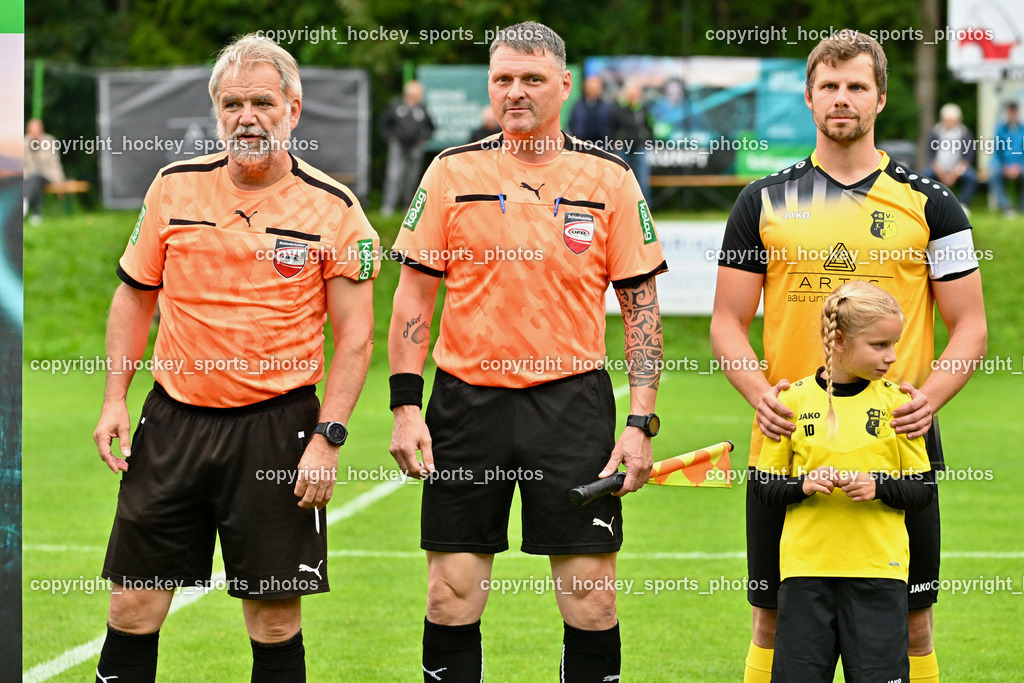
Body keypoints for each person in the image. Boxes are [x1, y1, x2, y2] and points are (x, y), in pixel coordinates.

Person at [91, 33, 379, 682]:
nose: (246, 117)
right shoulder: (172, 188)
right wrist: (115, 398)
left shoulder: (335, 209)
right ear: (216, 110)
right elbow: (134, 300)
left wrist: (329, 437)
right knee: (133, 602)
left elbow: (355, 336)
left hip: (278, 429)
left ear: (292, 110)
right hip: (172, 422)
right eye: (232, 103)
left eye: (262, 102)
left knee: (274, 617)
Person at [387, 21, 667, 682]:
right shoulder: (451, 171)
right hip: (464, 404)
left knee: (592, 602)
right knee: (450, 596)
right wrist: (406, 406)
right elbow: (412, 301)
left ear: (564, 85)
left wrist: (640, 421)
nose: (516, 91)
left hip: (572, 406)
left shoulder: (610, 178)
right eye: (503, 78)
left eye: (532, 79)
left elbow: (642, 309)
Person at [710, 29, 987, 683]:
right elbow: (726, 321)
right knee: (770, 618)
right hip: (788, 444)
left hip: (896, 443)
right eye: (829, 86)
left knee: (914, 621)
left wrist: (927, 401)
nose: (842, 98)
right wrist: (762, 398)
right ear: (809, 98)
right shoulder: (762, 201)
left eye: (856, 86)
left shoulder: (933, 204)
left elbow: (970, 325)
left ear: (880, 98)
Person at [752, 281, 934, 682]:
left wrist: (879, 486)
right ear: (838, 340)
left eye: (894, 344)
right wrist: (802, 485)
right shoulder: (790, 402)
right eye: (880, 345)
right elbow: (762, 489)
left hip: (879, 575)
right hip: (805, 578)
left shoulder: (900, 405)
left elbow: (923, 492)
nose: (892, 357)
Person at [380, 79, 435, 216]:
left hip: (415, 147)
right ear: (409, 94)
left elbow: (432, 126)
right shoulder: (396, 105)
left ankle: (408, 207)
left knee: (412, 177)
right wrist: (390, 138)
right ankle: (388, 207)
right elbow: (384, 123)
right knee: (394, 176)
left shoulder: (422, 108)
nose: (419, 96)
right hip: (398, 146)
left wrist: (424, 139)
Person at [927, 103, 978, 212]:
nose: (949, 123)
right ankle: (931, 205)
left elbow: (968, 156)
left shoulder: (965, 133)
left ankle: (963, 205)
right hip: (938, 168)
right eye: (947, 120)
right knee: (925, 176)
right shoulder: (935, 132)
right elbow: (930, 155)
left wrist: (955, 173)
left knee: (971, 176)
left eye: (952, 120)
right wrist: (940, 171)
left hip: (958, 168)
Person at [609, 81, 653, 205]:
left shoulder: (643, 109)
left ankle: (645, 209)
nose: (633, 95)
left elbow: (650, 127)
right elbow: (612, 128)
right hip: (623, 148)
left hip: (639, 148)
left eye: (635, 92)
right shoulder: (619, 109)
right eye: (631, 92)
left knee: (643, 181)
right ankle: (621, 207)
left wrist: (647, 141)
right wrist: (614, 143)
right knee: (620, 180)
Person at [23, 118, 65, 224]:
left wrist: (59, 180)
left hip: (48, 176)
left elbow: (55, 163)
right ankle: (36, 216)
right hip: (29, 177)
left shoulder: (50, 141)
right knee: (34, 180)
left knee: (36, 178)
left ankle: (25, 203)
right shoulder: (24, 143)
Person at [989, 101, 1024, 217]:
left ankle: (1022, 206)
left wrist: (1020, 166)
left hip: (1020, 165)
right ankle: (1006, 206)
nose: (1012, 115)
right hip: (1004, 165)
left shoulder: (1022, 129)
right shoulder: (1000, 129)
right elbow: (997, 151)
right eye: (1010, 112)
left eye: (1014, 112)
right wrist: (1005, 166)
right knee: (993, 174)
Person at [568, 75, 612, 147]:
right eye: (590, 86)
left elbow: (610, 126)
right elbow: (573, 123)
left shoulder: (606, 107)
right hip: (581, 145)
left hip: (602, 145)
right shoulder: (578, 106)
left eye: (596, 87)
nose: (593, 89)